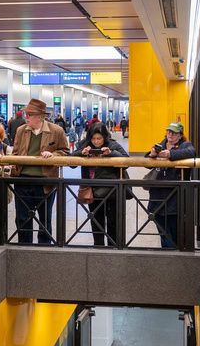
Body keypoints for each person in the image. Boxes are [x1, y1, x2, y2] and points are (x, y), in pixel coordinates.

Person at [10, 99, 69, 244]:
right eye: (26, 114)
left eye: (29, 114)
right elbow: (16, 152)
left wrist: (53, 155)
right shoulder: (21, 130)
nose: (26, 117)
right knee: (22, 218)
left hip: (45, 181)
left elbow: (65, 152)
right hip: (22, 180)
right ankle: (24, 246)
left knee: (45, 218)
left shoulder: (56, 130)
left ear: (40, 116)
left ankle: (44, 247)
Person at [73, 122, 129, 247]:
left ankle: (112, 247)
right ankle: (98, 247)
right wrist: (82, 152)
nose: (96, 142)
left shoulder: (113, 144)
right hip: (91, 191)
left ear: (105, 137)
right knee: (96, 221)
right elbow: (71, 162)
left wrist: (111, 153)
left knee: (113, 222)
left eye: (99, 138)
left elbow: (126, 161)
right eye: (93, 138)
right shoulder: (84, 145)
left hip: (112, 191)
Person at [146, 122, 196, 248]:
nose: (170, 135)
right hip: (157, 197)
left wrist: (171, 154)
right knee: (163, 231)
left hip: (175, 197)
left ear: (180, 135)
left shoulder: (185, 145)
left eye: (174, 133)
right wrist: (152, 154)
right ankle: (169, 253)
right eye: (169, 132)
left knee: (174, 231)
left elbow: (191, 152)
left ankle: (172, 254)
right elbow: (146, 162)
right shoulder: (160, 145)